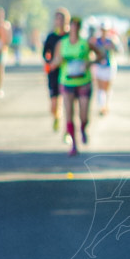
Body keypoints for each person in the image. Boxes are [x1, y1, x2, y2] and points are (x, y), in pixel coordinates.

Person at [50, 16, 103, 157]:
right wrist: (58, 60)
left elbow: (101, 54)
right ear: (70, 27)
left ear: (80, 28)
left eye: (77, 26)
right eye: (72, 26)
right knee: (69, 114)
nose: (74, 29)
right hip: (67, 82)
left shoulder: (85, 44)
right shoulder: (62, 44)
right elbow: (53, 63)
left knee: (84, 115)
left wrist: (90, 62)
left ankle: (83, 128)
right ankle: (74, 144)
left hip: (83, 82)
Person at [42, 7, 70, 132]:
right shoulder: (51, 37)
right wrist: (50, 63)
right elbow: (45, 54)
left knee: (67, 102)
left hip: (67, 72)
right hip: (53, 72)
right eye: (57, 19)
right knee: (54, 104)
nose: (59, 21)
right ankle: (57, 117)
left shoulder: (70, 36)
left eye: (61, 19)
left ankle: (67, 128)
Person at [93, 24, 121, 115]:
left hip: (109, 66)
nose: (103, 32)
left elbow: (119, 50)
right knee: (100, 87)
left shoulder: (111, 40)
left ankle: (106, 105)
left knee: (107, 88)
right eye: (102, 30)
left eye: (105, 30)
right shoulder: (96, 40)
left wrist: (113, 45)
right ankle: (102, 107)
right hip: (99, 66)